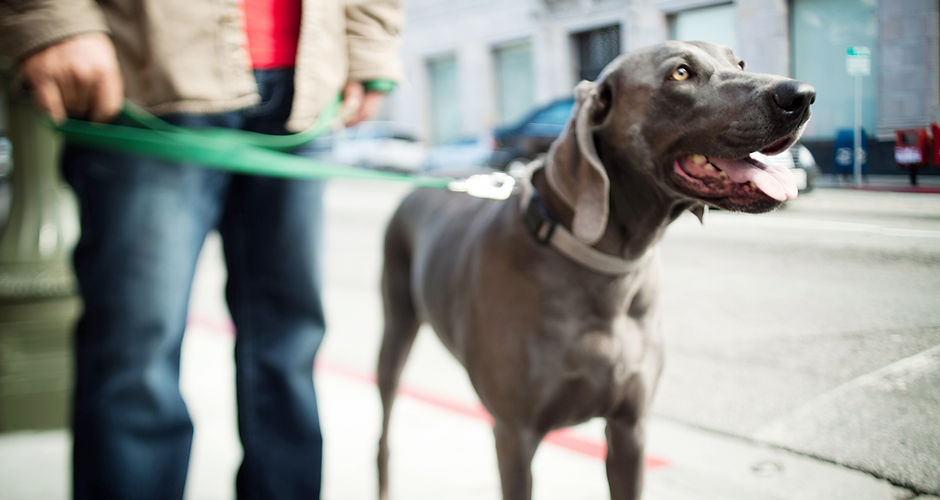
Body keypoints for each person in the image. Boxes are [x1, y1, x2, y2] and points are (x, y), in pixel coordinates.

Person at [0, 1, 403, 498]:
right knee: (134, 355)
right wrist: (50, 18)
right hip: (146, 73)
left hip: (305, 85)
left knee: (288, 348)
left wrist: (370, 46)